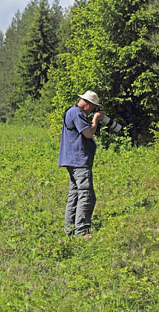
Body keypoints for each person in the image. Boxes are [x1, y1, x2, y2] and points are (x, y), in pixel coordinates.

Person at [58, 90, 104, 237]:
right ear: (87, 104)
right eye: (93, 107)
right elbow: (88, 133)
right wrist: (96, 119)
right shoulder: (77, 113)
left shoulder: (71, 112)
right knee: (86, 195)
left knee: (75, 194)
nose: (92, 110)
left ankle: (69, 229)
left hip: (71, 160)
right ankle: (82, 232)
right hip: (79, 161)